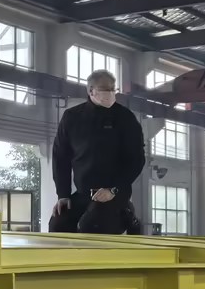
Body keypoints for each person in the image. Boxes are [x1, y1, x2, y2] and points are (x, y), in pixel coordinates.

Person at [50, 70, 146, 235]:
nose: (110, 93)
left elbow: (136, 160)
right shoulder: (72, 117)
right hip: (83, 193)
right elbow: (61, 157)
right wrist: (63, 194)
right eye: (105, 89)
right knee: (58, 223)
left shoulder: (125, 118)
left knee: (91, 224)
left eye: (113, 89)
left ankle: (127, 214)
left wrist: (113, 189)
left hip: (115, 194)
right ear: (91, 90)